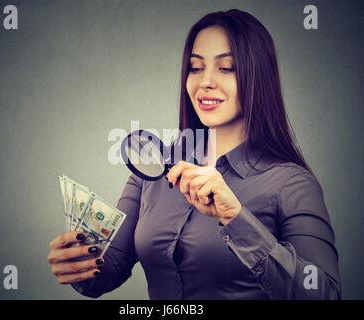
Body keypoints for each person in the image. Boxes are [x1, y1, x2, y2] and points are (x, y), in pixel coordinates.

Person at [47, 9, 341, 299]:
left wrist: (235, 218)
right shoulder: (152, 172)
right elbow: (108, 270)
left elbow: (323, 294)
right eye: (196, 67)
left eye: (226, 68)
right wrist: (79, 264)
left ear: (257, 78)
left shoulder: (291, 183)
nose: (205, 82)